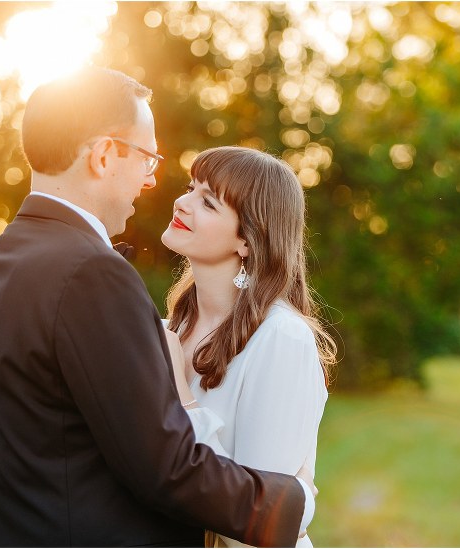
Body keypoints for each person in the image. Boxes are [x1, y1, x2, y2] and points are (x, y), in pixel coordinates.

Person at [0, 68, 317, 547]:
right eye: (147, 158)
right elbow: (164, 465)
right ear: (105, 155)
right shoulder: (91, 274)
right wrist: (292, 501)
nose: (153, 183)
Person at [161, 146, 337, 548]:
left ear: (247, 239)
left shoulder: (281, 338)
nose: (182, 203)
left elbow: (255, 516)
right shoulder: (170, 327)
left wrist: (181, 394)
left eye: (207, 202)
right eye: (190, 188)